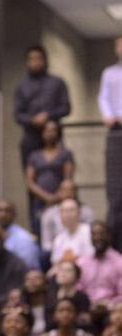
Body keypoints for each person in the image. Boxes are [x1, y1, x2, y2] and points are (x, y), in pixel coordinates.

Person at [14, 45, 71, 170]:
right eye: (31, 59)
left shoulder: (57, 83)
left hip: (54, 136)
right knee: (31, 175)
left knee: (56, 175)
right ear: (27, 62)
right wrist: (32, 120)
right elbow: (18, 114)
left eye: (38, 58)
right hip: (31, 137)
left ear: (45, 60)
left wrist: (48, 115)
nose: (35, 62)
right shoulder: (22, 87)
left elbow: (66, 107)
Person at [26, 120, 75, 236]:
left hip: (61, 200)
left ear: (58, 133)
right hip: (40, 200)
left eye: (54, 130)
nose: (50, 133)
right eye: (47, 130)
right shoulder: (34, 155)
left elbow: (68, 178)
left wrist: (57, 196)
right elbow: (29, 181)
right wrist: (46, 197)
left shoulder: (65, 154)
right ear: (42, 133)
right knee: (39, 230)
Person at [98, 35, 122, 251]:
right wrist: (109, 116)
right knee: (116, 193)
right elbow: (103, 98)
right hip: (116, 132)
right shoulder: (109, 73)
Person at [0, 200, 41, 271]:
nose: (2, 215)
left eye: (7, 211)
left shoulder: (24, 238)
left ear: (14, 214)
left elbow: (26, 267)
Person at [41, 181, 95, 254]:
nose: (68, 193)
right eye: (64, 190)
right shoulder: (49, 215)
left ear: (78, 214)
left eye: (71, 190)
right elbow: (46, 244)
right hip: (57, 250)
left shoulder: (87, 213)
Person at [77, 222, 122, 306]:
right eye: (94, 234)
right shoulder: (82, 262)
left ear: (109, 236)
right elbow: (78, 289)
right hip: (86, 308)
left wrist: (109, 304)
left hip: (111, 309)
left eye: (102, 234)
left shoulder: (119, 262)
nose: (98, 237)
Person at [48, 261, 91, 327]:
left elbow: (84, 322)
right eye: (60, 270)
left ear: (77, 276)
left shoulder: (82, 298)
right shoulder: (50, 295)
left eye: (68, 270)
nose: (63, 273)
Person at [51, 199, 94, 265]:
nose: (67, 214)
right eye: (64, 211)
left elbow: (92, 258)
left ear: (79, 213)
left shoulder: (89, 232)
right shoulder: (58, 239)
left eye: (71, 210)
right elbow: (56, 263)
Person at [22, 270, 49, 336]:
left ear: (46, 284)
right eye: (28, 279)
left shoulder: (53, 305)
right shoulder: (23, 308)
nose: (31, 282)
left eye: (36, 278)